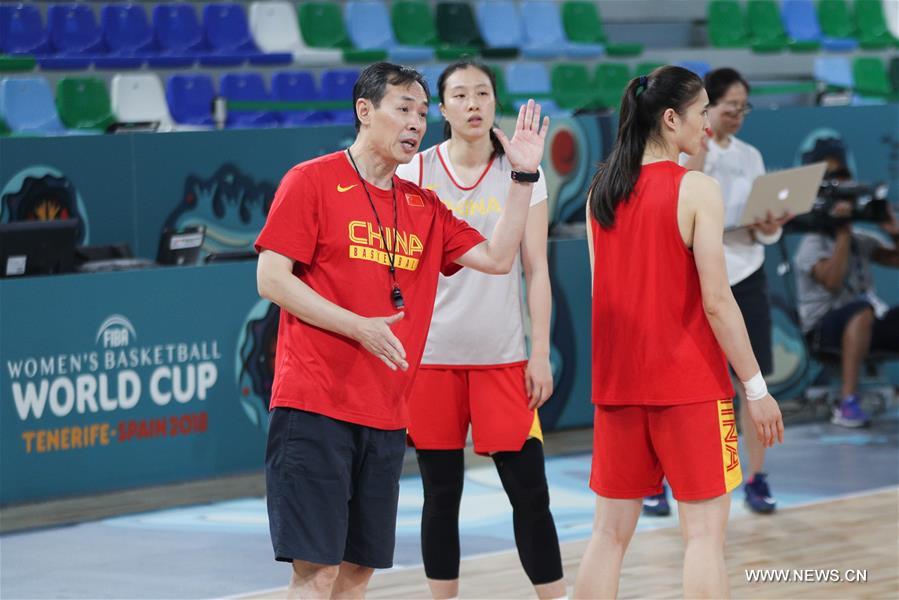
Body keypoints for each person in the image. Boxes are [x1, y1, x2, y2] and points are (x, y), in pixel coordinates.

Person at [254, 62, 549, 599]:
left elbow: (501, 257)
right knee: (314, 570)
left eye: (419, 112)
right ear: (365, 112)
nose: (415, 123)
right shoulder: (311, 179)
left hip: (386, 411)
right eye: (402, 109)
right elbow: (271, 278)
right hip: (315, 404)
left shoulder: (424, 206)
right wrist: (357, 327)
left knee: (357, 570)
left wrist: (523, 177)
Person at [574, 66, 784, 599]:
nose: (708, 125)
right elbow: (717, 301)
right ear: (671, 119)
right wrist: (755, 387)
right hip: (690, 389)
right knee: (705, 539)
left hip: (617, 389)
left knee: (607, 536)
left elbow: (604, 296)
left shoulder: (601, 189)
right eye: (700, 113)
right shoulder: (697, 188)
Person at [396, 61, 565, 600]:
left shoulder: (523, 173)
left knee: (530, 494)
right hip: (433, 362)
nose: (474, 104)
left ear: (496, 102)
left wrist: (539, 351)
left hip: (503, 359)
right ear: (441, 110)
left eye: (483, 93)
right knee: (440, 494)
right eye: (460, 95)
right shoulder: (413, 173)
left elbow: (537, 270)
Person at [662, 67, 789, 515]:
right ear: (703, 109)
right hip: (697, 276)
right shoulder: (686, 154)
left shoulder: (750, 155)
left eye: (743, 108)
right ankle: (659, 480)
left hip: (746, 270)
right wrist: (702, 144)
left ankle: (756, 477)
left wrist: (769, 225)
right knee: (681, 386)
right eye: (727, 108)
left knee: (754, 381)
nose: (738, 116)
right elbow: (682, 206)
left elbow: (760, 226)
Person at [794, 157, 899, 427]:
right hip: (821, 329)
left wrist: (894, 232)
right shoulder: (812, 244)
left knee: (866, 312)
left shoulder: (861, 239)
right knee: (861, 310)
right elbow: (832, 280)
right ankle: (847, 402)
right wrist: (842, 234)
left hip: (866, 321)